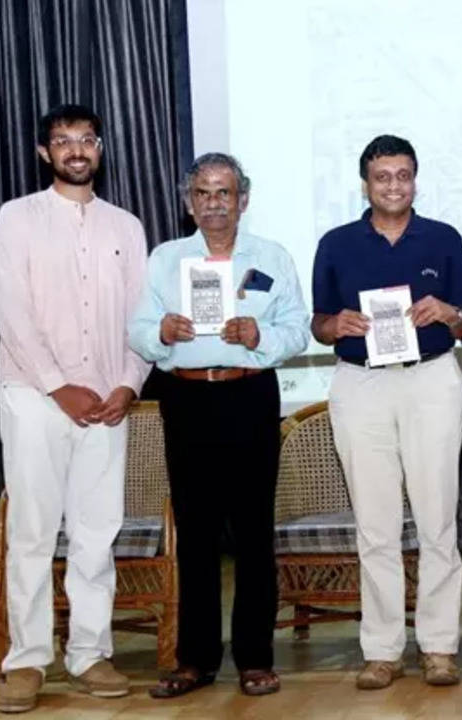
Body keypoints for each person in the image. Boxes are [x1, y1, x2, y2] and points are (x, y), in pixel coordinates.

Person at [129, 153, 309, 698]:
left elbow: (298, 329)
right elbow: (137, 330)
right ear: (189, 203)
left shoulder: (271, 257)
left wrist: (262, 337)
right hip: (185, 398)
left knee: (254, 533)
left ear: (243, 200)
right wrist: (159, 329)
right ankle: (195, 660)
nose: (214, 203)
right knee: (196, 534)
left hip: (249, 395)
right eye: (203, 193)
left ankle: (255, 658)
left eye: (224, 192)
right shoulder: (165, 259)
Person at [0, 103, 150, 713]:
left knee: (95, 533)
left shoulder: (126, 227)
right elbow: (11, 311)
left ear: (100, 149)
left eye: (86, 139)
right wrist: (59, 385)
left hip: (108, 404)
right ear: (44, 153)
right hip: (34, 398)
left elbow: (141, 318)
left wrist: (129, 385)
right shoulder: (17, 219)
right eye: (63, 141)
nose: (76, 150)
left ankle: (89, 653)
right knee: (32, 532)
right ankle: (26, 662)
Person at [311, 134, 462, 689]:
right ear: (366, 182)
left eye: (403, 175)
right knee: (376, 527)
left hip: (431, 380)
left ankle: (439, 647)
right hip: (360, 385)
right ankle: (381, 650)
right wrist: (335, 326)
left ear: (415, 179)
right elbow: (319, 323)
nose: (393, 185)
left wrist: (450, 313)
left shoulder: (444, 238)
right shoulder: (336, 244)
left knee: (437, 522)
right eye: (383, 176)